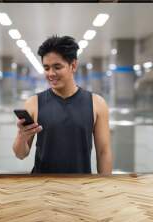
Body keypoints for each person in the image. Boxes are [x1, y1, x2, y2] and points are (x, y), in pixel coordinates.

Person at [12, 35, 113, 174]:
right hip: (42, 188)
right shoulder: (33, 103)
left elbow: (103, 153)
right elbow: (20, 154)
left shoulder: (97, 104)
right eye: (46, 68)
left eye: (57, 67)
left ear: (73, 65)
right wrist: (21, 137)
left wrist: (105, 189)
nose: (51, 73)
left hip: (80, 188)